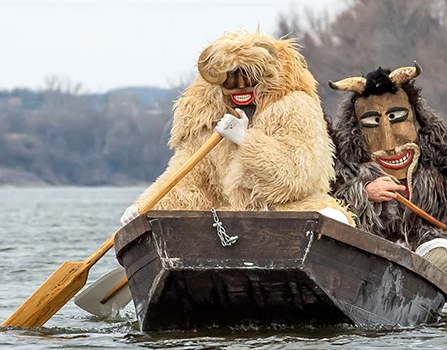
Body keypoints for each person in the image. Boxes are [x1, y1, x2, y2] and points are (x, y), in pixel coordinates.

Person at [327, 63, 447, 319]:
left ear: (416, 119)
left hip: (425, 245)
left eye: (396, 118)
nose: (389, 142)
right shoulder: (341, 166)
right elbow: (320, 205)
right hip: (367, 256)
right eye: (372, 122)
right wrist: (363, 193)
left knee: (446, 253)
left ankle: (409, 307)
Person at [122, 29, 351, 223]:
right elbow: (189, 182)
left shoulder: (294, 108)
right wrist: (146, 208)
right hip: (233, 220)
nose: (241, 86)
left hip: (291, 212)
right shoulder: (206, 120)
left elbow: (297, 177)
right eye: (231, 78)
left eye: (249, 77)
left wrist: (246, 140)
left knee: (331, 218)